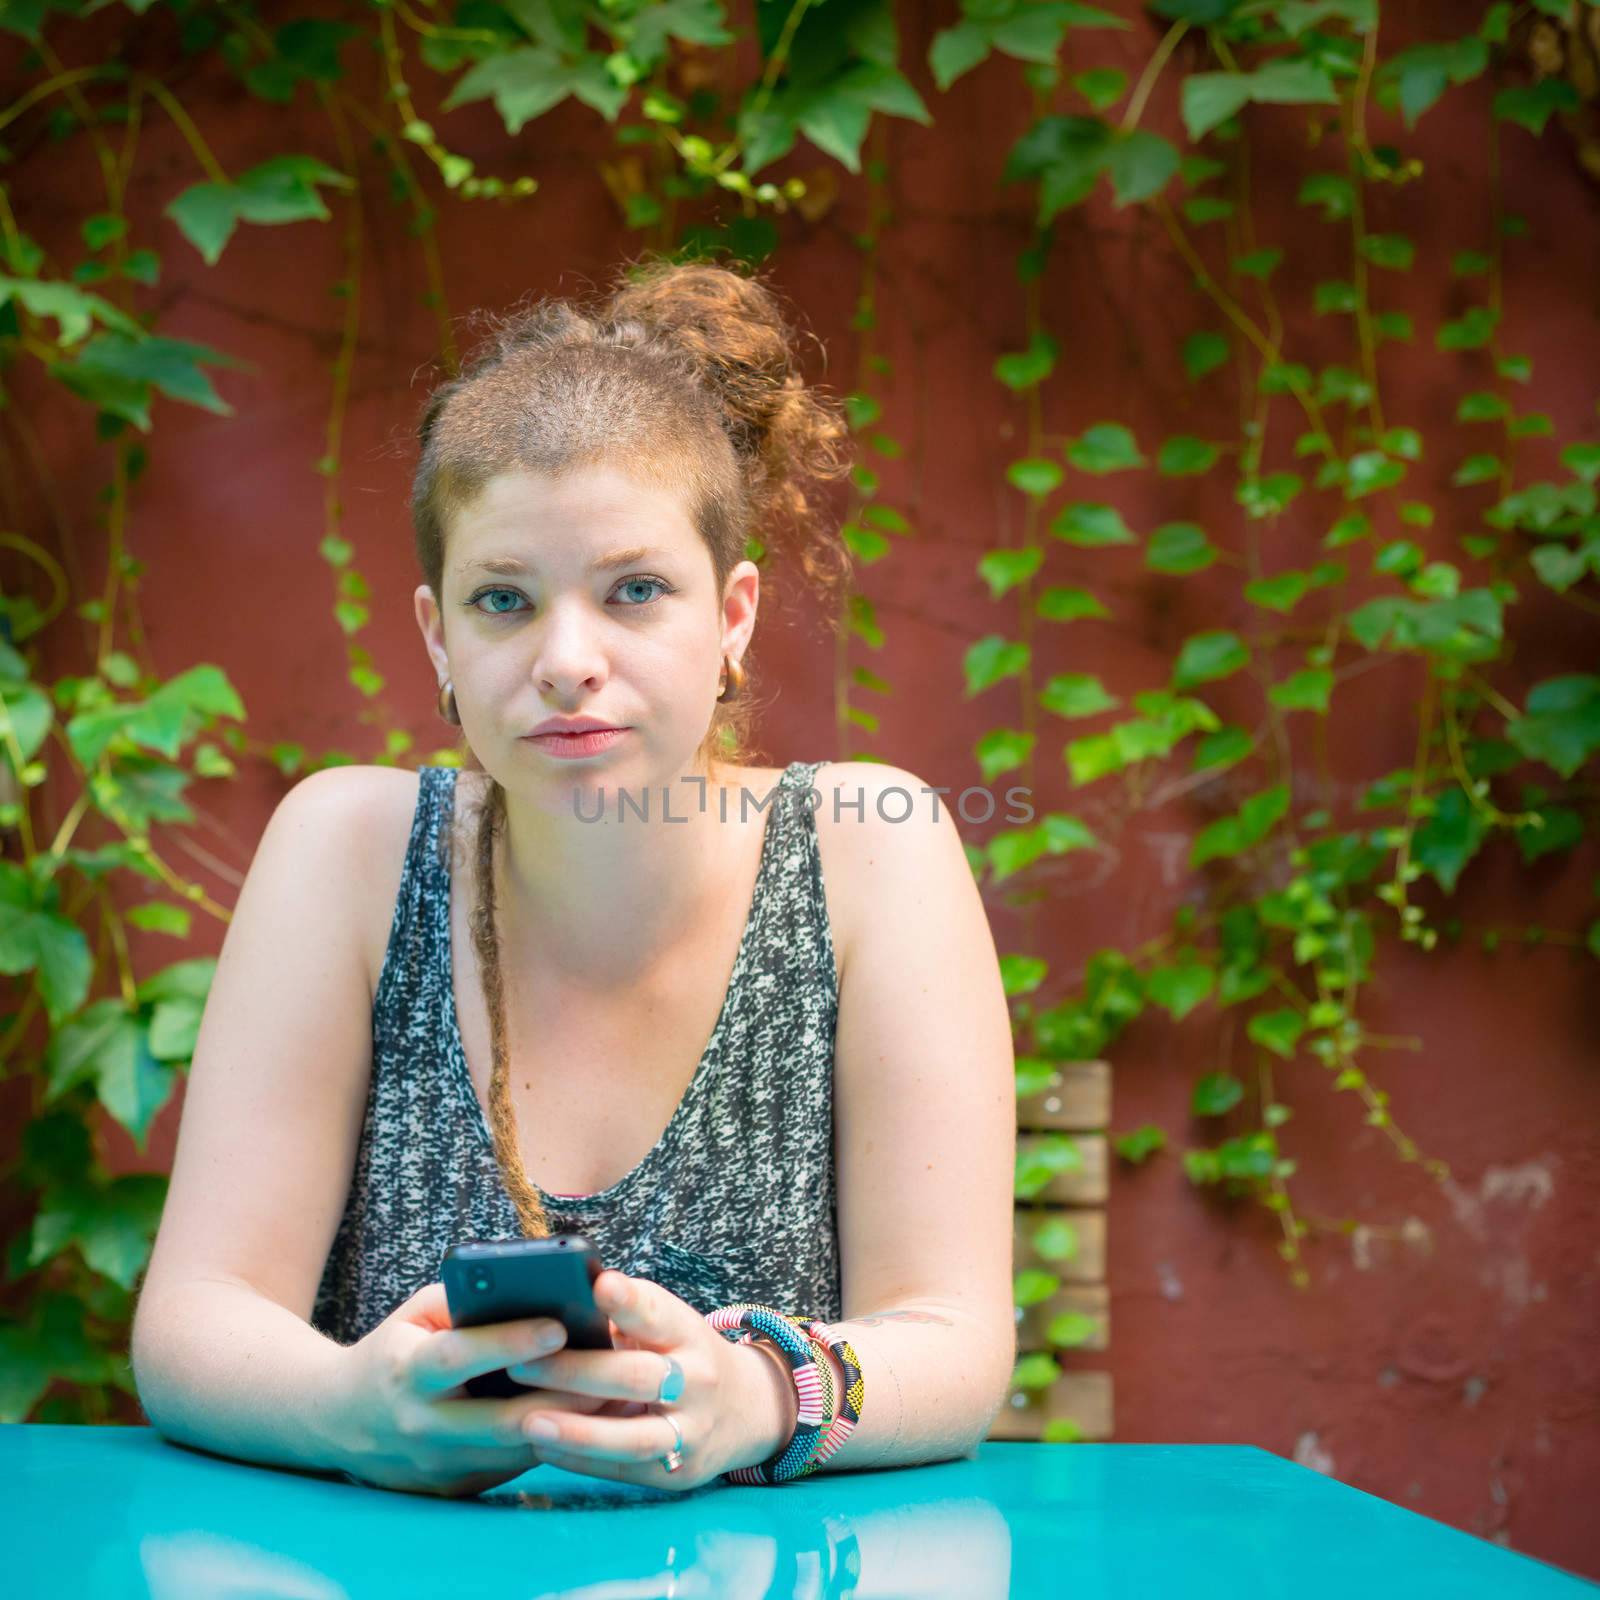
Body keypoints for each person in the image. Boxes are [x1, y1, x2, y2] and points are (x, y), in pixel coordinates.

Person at [130, 258, 1018, 1499]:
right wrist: (349, 1409)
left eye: (635, 590)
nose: (565, 661)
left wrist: (752, 1398)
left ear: (735, 616)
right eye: (504, 599)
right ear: (439, 633)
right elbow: (193, 1322)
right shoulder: (346, 852)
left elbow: (957, 1340)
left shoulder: (869, 848)